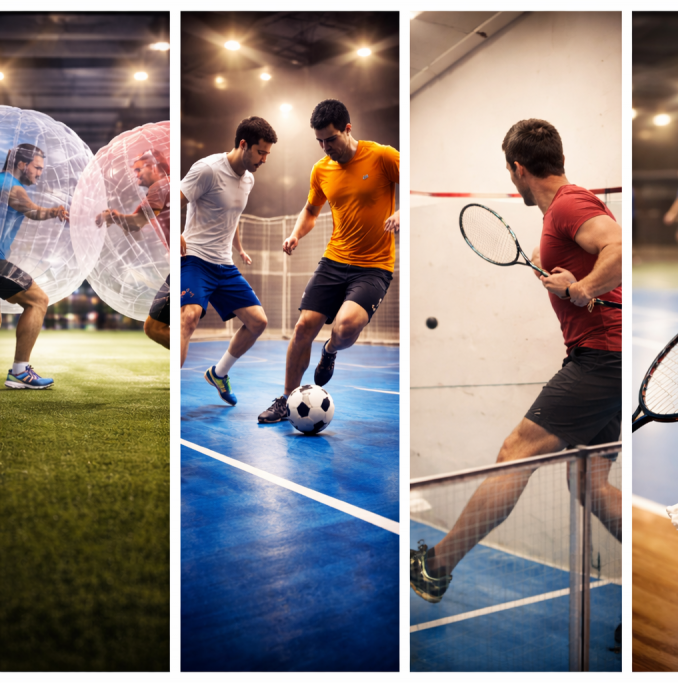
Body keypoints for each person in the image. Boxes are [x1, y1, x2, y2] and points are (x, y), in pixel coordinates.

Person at [410, 119, 622, 604]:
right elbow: (590, 258)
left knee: (514, 454)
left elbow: (618, 247)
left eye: (509, 173)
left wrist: (584, 288)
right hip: (607, 359)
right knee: (590, 484)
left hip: (601, 361)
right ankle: (653, 578)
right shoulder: (559, 217)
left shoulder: (571, 203)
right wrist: (564, 277)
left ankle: (436, 566)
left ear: (518, 169)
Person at [257, 99, 399, 424]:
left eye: (330, 139)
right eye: (319, 141)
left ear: (347, 129)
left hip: (374, 267)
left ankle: (330, 351)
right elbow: (310, 210)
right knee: (303, 327)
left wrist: (403, 211)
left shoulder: (381, 156)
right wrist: (296, 234)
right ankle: (286, 399)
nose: (325, 147)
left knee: (346, 326)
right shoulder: (321, 169)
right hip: (334, 261)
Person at [180, 117, 275, 405]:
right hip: (195, 258)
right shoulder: (207, 169)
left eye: (268, 154)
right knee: (189, 317)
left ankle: (219, 374)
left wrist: (240, 247)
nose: (264, 159)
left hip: (224, 265)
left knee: (258, 322)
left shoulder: (249, 179)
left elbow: (231, 217)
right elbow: (174, 199)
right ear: (243, 145)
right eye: (261, 152)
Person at [0, 143, 69, 389]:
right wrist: (56, 211)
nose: (39, 174)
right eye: (36, 168)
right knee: (38, 299)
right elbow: (31, 210)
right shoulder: (10, 185)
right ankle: (20, 372)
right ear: (21, 164)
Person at [96, 151, 171, 348]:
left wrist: (113, 216)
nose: (136, 174)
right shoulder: (170, 185)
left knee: (154, 327)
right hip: (188, 262)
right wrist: (118, 219)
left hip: (187, 265)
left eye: (139, 169)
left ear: (154, 167)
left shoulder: (159, 187)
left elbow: (137, 222)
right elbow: (134, 226)